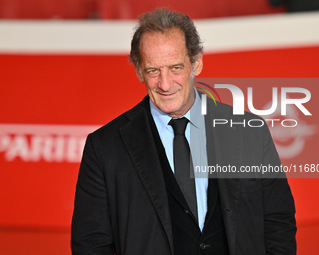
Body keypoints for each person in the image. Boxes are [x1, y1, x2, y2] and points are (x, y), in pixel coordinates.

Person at [71, 8, 296, 255]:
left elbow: (277, 221)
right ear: (138, 70)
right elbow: (91, 242)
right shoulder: (105, 147)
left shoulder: (249, 132)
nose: (165, 84)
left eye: (175, 68)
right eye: (153, 70)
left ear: (196, 63)